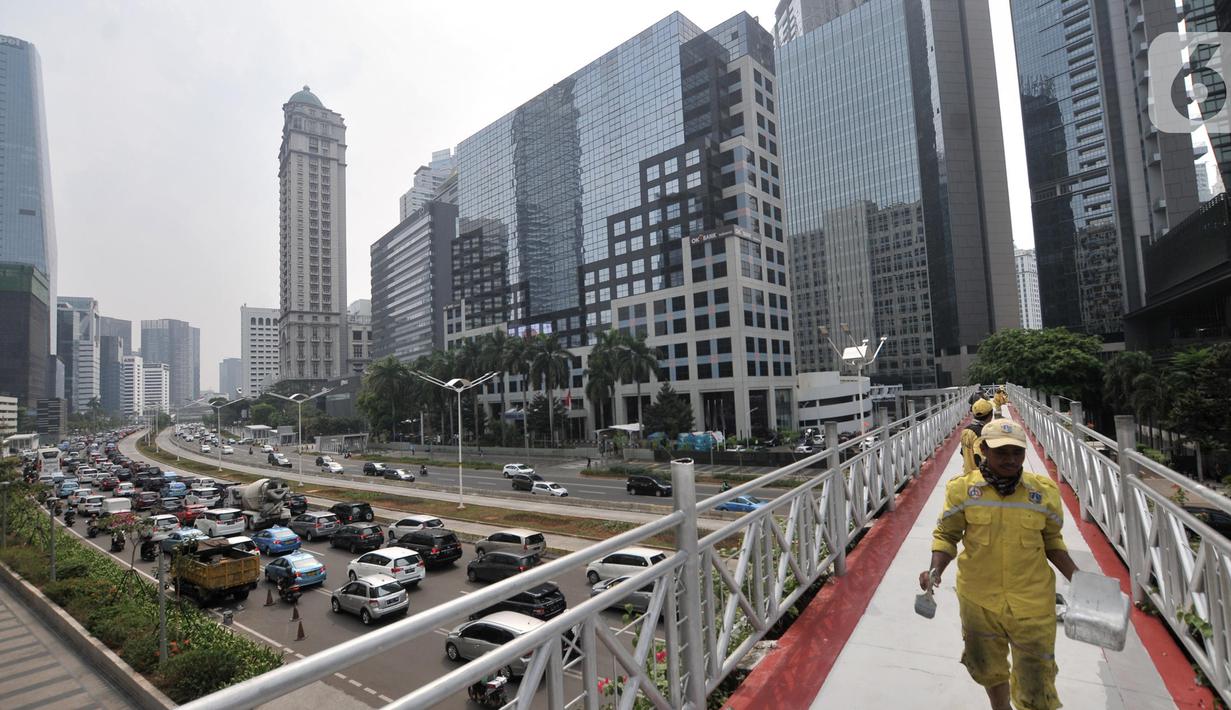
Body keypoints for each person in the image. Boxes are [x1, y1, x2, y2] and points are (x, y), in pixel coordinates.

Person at [921, 419, 1078, 710]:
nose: (1010, 459)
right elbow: (947, 535)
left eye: (1016, 453)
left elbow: (1053, 543)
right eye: (1001, 452)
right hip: (979, 600)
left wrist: (1081, 581)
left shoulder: (1043, 492)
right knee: (988, 667)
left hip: (1032, 601)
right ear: (983, 450)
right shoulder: (963, 491)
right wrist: (935, 571)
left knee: (1037, 679)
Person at [961, 399, 996, 474]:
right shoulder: (981, 434)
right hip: (978, 477)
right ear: (990, 415)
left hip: (967, 474)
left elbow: (962, 452)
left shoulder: (965, 430)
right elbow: (980, 458)